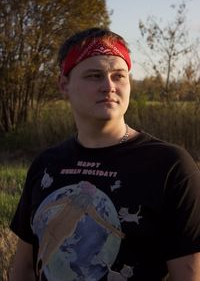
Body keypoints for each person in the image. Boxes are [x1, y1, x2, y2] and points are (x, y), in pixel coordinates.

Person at [9, 27, 200, 281]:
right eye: (94, 75)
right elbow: (22, 268)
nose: (109, 86)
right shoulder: (47, 164)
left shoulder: (170, 166)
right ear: (64, 85)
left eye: (118, 76)